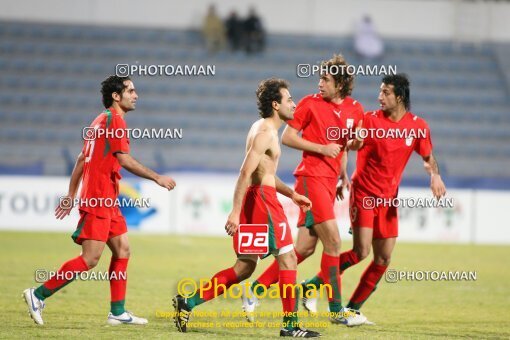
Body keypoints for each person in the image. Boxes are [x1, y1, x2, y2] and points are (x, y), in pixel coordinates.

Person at [23, 75, 177, 325]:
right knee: (90, 258)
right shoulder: (115, 121)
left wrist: (71, 195)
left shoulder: (98, 120)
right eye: (130, 91)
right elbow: (124, 160)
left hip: (108, 199)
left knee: (123, 249)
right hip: (99, 198)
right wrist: (157, 177)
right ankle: (38, 294)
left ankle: (117, 312)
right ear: (116, 96)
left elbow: (81, 159)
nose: (136, 95)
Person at [173, 78, 320, 338]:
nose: (294, 104)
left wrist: (293, 194)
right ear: (276, 104)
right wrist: (234, 212)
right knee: (288, 259)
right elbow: (245, 172)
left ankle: (189, 302)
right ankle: (291, 326)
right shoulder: (265, 133)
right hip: (263, 201)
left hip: (259, 197)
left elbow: (265, 174)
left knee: (245, 267)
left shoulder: (260, 129)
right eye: (289, 99)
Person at [242, 55, 368, 326]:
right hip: (311, 178)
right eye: (320, 78)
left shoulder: (356, 109)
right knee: (334, 242)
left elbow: (346, 145)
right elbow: (288, 137)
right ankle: (336, 312)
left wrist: (344, 173)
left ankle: (255, 290)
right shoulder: (310, 104)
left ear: (341, 84)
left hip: (329, 180)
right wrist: (322, 149)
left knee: (304, 248)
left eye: (326, 80)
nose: (320, 83)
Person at [340, 73, 446, 321]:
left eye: (386, 92)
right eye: (380, 91)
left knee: (384, 258)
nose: (380, 96)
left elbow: (428, 159)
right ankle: (314, 285)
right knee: (360, 251)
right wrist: (354, 144)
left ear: (399, 97)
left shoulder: (418, 126)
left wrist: (435, 176)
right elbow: (350, 144)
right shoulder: (368, 120)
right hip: (364, 192)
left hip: (388, 200)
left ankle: (352, 309)